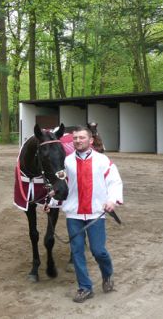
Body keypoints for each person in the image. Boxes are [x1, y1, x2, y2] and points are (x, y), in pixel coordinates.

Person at [47, 125, 123, 303]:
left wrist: (112, 200)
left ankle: (107, 274)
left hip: (96, 212)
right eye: (75, 138)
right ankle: (85, 288)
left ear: (90, 140)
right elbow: (59, 185)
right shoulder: (65, 162)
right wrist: (51, 198)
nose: (78, 141)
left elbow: (114, 182)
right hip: (74, 213)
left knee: (98, 251)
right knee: (77, 251)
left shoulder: (103, 161)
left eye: (81, 138)